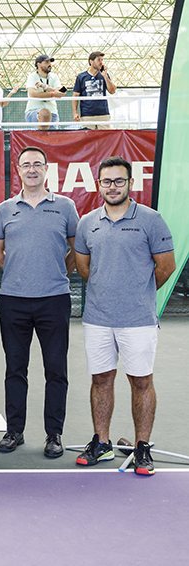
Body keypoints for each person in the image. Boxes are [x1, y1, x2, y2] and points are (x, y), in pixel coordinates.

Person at [73, 156, 176, 475]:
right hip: (97, 319)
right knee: (101, 379)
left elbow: (166, 266)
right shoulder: (87, 222)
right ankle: (102, 444)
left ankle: (142, 446)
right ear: (98, 184)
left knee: (141, 381)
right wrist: (109, 291)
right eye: (106, 181)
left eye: (119, 180)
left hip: (139, 321)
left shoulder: (150, 219)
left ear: (131, 183)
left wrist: (137, 292)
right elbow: (83, 267)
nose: (112, 186)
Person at [0, 146, 79, 458]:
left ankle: (54, 434)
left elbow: (75, 250)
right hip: (13, 301)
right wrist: (20, 273)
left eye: (37, 164)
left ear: (46, 169)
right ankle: (15, 430)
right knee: (16, 368)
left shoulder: (66, 207)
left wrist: (55, 272)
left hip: (54, 300)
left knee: (56, 369)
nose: (31, 169)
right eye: (25, 165)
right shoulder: (4, 209)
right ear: (18, 170)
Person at [73, 52, 117, 129]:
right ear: (91, 61)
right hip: (87, 114)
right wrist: (75, 112)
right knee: (88, 138)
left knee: (104, 138)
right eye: (98, 60)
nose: (101, 62)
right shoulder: (81, 77)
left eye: (102, 60)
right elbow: (76, 95)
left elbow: (112, 91)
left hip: (103, 114)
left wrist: (105, 76)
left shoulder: (104, 75)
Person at [25, 54, 67, 130]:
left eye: (50, 62)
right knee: (44, 114)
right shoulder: (32, 76)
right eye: (47, 62)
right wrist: (52, 94)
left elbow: (60, 93)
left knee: (52, 139)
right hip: (34, 111)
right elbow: (32, 94)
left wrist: (45, 87)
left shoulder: (54, 77)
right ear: (38, 64)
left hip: (53, 113)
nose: (50, 64)